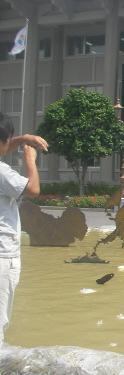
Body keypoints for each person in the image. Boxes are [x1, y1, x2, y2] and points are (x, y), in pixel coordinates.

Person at [0, 112, 47, 348]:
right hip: (2, 254)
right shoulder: (1, 171)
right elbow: (32, 190)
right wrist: (30, 158)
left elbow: (4, 145)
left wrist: (23, 138)